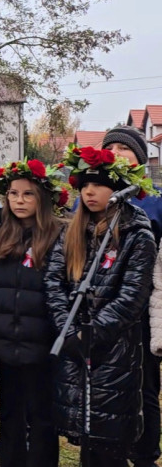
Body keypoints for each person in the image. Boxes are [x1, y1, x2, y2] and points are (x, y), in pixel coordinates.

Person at [45, 144, 157, 467]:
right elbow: (54, 281)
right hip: (74, 350)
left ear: (119, 188)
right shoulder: (72, 230)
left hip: (114, 354)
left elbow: (131, 297)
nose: (90, 192)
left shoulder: (137, 234)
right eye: (84, 185)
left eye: (99, 184)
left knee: (109, 446)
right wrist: (66, 329)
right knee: (85, 444)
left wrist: (91, 336)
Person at [0, 159, 71, 467]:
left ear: (42, 199)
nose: (20, 201)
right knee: (10, 413)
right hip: (4, 342)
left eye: (28, 194)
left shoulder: (57, 239)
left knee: (42, 416)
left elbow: (63, 287)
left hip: (41, 345)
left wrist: (54, 331)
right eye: (13, 194)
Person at [103, 126, 162, 467]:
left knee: (145, 385)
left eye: (124, 148)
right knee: (110, 381)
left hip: (141, 306)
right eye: (110, 147)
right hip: (103, 305)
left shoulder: (153, 202)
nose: (117, 152)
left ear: (139, 158)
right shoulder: (96, 197)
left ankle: (145, 453)